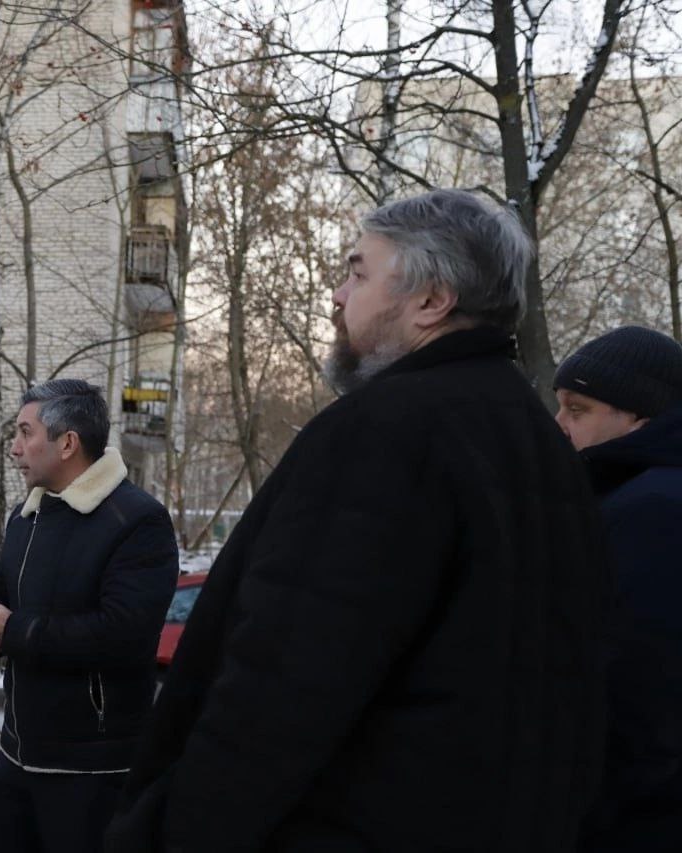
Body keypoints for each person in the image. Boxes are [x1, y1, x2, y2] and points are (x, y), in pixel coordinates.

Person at [105, 189, 608, 852]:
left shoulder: (388, 432)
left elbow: (283, 682)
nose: (338, 296)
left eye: (358, 272)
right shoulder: (540, 444)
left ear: (431, 300)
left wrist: (173, 833)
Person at [0, 378, 179, 853]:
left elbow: (122, 633)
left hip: (93, 773)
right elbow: (0, 583)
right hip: (16, 758)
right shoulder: (28, 513)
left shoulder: (138, 521)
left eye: (25, 433)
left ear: (67, 443)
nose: (15, 448)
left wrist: (13, 629)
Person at [553, 326, 682, 852]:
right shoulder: (635, 498)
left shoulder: (653, 511)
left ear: (638, 418)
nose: (557, 425)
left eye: (577, 409)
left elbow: (638, 696)